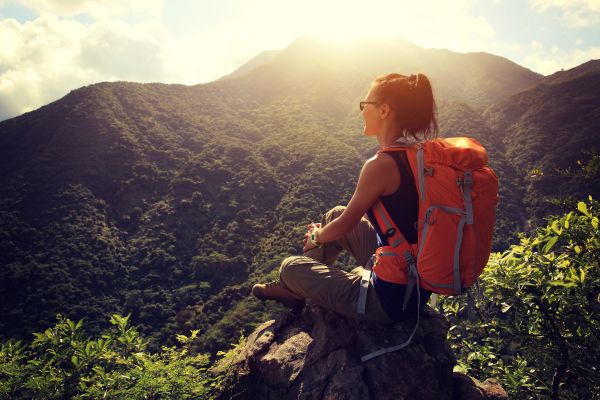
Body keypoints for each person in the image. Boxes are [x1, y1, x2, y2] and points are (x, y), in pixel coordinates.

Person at [252, 73, 438, 323]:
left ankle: (294, 286)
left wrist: (316, 238)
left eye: (365, 104)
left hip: (388, 299)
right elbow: (346, 219)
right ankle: (295, 288)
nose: (361, 110)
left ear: (384, 110)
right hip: (411, 273)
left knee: (289, 266)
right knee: (334, 215)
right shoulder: (416, 155)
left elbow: (348, 224)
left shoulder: (380, 165)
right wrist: (325, 233)